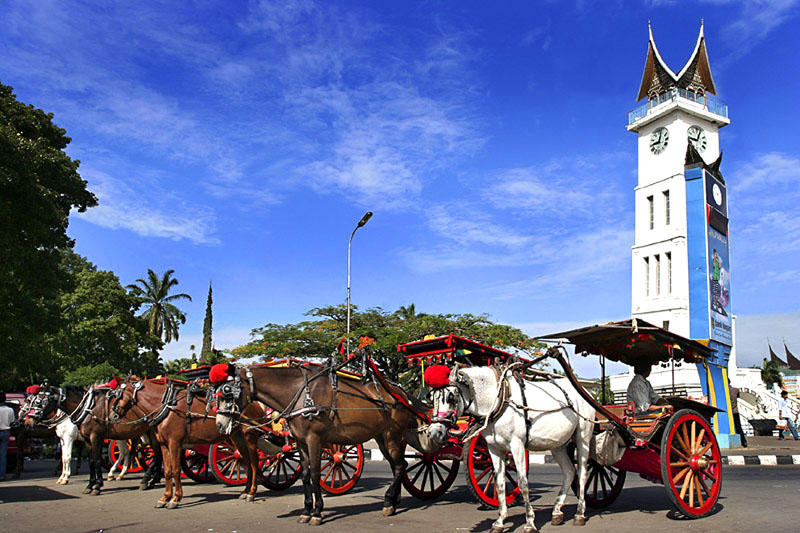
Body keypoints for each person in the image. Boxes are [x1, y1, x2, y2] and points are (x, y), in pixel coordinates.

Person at [0, 391, 18, 481]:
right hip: (5, 432)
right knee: (3, 455)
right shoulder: (9, 410)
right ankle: (2, 475)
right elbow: (12, 421)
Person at [729, 382, 748, 447]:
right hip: (735, 411)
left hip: (728, 412)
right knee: (738, 427)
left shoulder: (724, 390)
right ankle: (743, 441)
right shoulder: (736, 390)